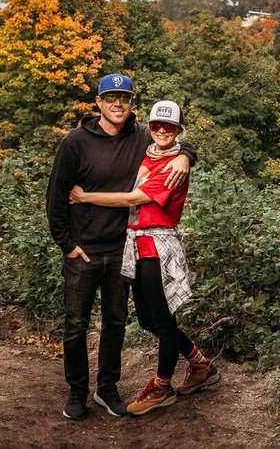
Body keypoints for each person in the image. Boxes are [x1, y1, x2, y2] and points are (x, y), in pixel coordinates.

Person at [46, 74, 196, 421]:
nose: (118, 103)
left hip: (122, 250)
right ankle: (77, 393)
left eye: (124, 98)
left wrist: (187, 155)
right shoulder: (75, 142)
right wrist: (67, 245)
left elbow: (172, 138)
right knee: (75, 325)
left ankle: (107, 390)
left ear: (132, 103)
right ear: (97, 102)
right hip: (83, 250)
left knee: (115, 322)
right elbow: (56, 197)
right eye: (110, 97)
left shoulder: (141, 135)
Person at [69, 99, 219, 416]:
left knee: (162, 321)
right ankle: (200, 364)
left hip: (157, 245)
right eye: (156, 125)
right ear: (148, 127)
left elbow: (132, 198)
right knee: (150, 320)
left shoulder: (170, 165)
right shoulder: (147, 152)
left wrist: (83, 196)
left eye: (170, 126)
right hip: (136, 246)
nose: (162, 131)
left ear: (179, 129)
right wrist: (185, 153)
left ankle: (162, 387)